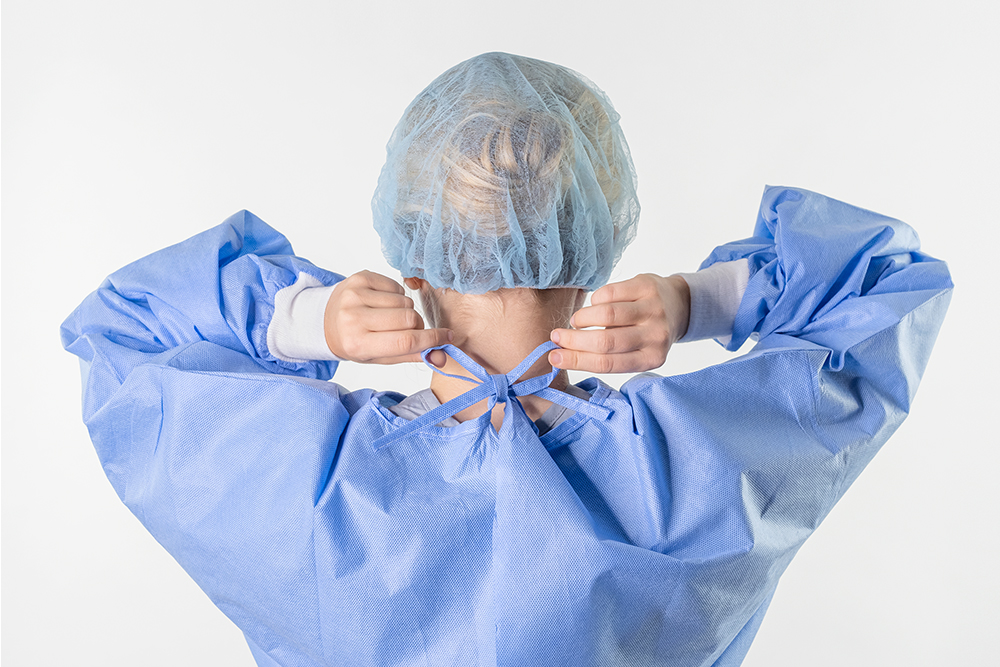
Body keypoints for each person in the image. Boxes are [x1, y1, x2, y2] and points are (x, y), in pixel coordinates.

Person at [61, 52, 952, 667]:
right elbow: (887, 281)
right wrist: (699, 300)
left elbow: (122, 334)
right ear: (599, 244)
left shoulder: (302, 489)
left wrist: (301, 318)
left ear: (416, 255)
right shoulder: (699, 470)